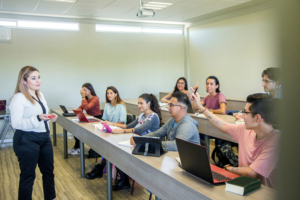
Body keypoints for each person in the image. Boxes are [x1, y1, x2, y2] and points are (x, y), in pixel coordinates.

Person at [191, 88, 280, 188]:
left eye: (245, 112)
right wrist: (201, 107)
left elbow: (251, 172)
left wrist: (228, 168)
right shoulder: (246, 129)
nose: (242, 115)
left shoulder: (277, 141)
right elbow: (223, 125)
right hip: (244, 184)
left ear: (257, 118)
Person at [9, 66, 57, 200]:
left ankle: (51, 197)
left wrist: (49, 117)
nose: (38, 81)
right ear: (24, 81)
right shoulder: (19, 97)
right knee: (28, 175)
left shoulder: (40, 95)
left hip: (44, 138)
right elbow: (16, 123)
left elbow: (42, 115)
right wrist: (37, 118)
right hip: (26, 140)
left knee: (48, 172)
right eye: (33, 78)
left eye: (39, 77)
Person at [105, 93, 162, 191]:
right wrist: (112, 124)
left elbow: (140, 130)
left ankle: (124, 179)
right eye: (138, 103)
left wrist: (121, 131)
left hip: (148, 146)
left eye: (141, 103)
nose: (139, 105)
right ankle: (124, 179)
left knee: (118, 153)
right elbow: (129, 126)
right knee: (114, 151)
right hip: (137, 142)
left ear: (148, 103)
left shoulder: (153, 116)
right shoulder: (142, 115)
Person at [131, 92, 200, 151]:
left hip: (189, 162)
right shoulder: (172, 120)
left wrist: (147, 142)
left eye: (171, 105)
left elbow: (175, 145)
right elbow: (157, 134)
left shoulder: (188, 125)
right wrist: (140, 139)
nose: (168, 107)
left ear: (181, 108)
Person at [84, 86, 126, 180]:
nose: (109, 95)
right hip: (109, 131)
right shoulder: (107, 105)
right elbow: (104, 120)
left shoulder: (121, 106)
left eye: (111, 93)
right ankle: (100, 168)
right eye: (107, 93)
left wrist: (111, 125)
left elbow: (122, 122)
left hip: (118, 132)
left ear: (116, 94)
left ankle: (99, 169)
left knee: (109, 150)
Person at [68, 83, 102, 155]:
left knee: (80, 130)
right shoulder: (86, 99)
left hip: (96, 119)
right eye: (83, 90)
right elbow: (81, 107)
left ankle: (78, 148)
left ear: (90, 90)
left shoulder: (95, 98)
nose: (83, 92)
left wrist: (83, 97)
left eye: (85, 90)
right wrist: (80, 108)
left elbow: (87, 107)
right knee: (76, 129)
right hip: (90, 119)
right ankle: (77, 147)